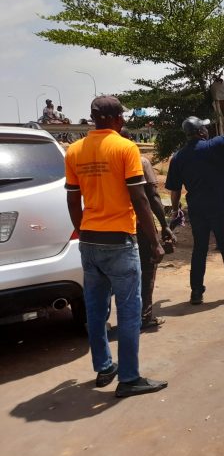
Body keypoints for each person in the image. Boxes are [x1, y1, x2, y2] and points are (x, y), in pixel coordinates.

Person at [64, 95, 167, 398]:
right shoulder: (125, 148)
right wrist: (156, 240)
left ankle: (104, 367)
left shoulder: (74, 150)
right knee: (129, 310)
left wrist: (83, 231)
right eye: (122, 116)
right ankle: (130, 378)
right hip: (120, 241)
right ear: (115, 119)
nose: (124, 121)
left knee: (96, 310)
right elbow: (140, 197)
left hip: (90, 241)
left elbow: (72, 198)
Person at [165, 107, 224, 305]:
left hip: (197, 210)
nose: (207, 130)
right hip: (219, 207)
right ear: (200, 132)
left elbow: (174, 190)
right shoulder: (213, 147)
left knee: (199, 249)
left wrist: (175, 210)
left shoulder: (179, 158)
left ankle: (196, 293)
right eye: (205, 128)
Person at [120, 128, 176, 330]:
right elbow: (152, 197)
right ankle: (145, 317)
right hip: (139, 225)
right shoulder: (139, 160)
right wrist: (165, 225)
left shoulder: (102, 160)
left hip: (110, 228)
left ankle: (125, 317)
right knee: (147, 268)